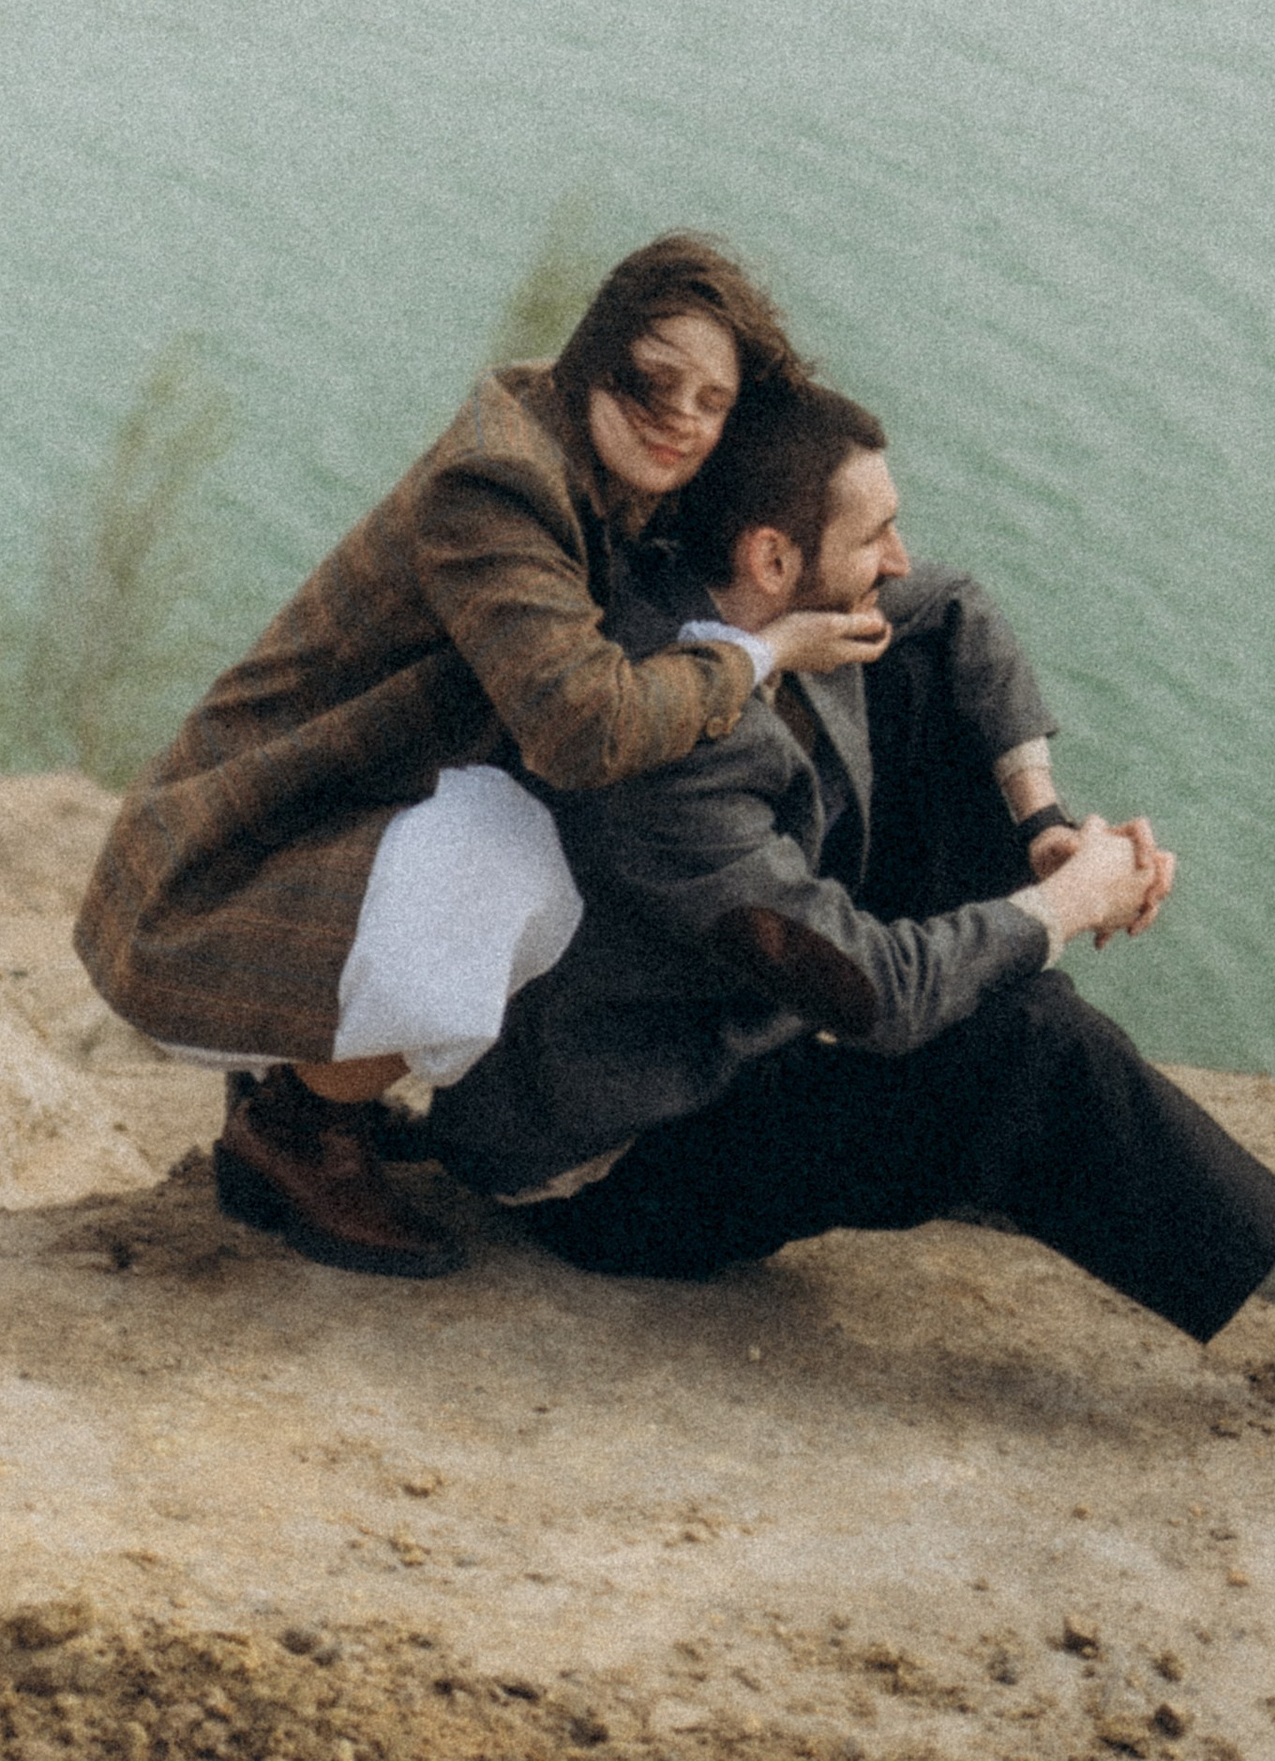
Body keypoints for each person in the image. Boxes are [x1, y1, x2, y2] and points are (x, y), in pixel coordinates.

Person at [429, 381, 1275, 1422]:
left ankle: (1028, 1154)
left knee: (923, 697)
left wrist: (1046, 830)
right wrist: (1064, 911)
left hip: (720, 1009)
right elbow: (877, 996)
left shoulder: (750, 612)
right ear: (771, 560)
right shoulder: (670, 746)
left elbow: (952, 612)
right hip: (626, 1163)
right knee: (1025, 1042)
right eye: (875, 534)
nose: (895, 557)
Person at [73, 234, 894, 1278]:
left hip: (374, 799)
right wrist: (766, 649)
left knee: (548, 827)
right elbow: (581, 725)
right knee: (511, 855)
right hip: (248, 841)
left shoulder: (615, 469)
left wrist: (1029, 789)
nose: (681, 421)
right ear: (594, 358)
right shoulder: (497, 486)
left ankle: (329, 1091)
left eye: (712, 401)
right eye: (653, 382)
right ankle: (296, 1128)